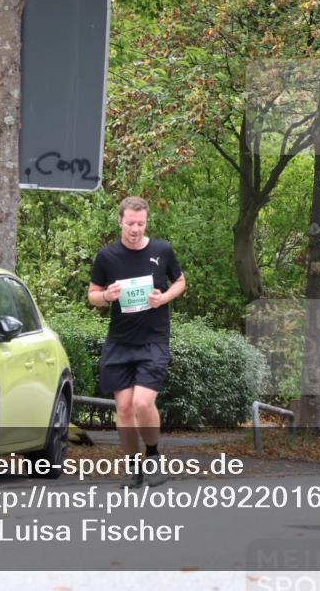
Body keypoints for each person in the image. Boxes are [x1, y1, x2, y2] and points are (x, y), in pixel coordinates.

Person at [88, 196, 186, 487]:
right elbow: (92, 294)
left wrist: (163, 297)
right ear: (120, 221)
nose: (135, 229)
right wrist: (107, 296)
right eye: (130, 223)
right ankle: (133, 468)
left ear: (147, 222)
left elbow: (180, 282)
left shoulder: (162, 250)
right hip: (120, 341)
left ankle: (153, 456)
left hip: (153, 340)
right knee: (124, 409)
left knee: (143, 403)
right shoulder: (107, 257)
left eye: (140, 223)